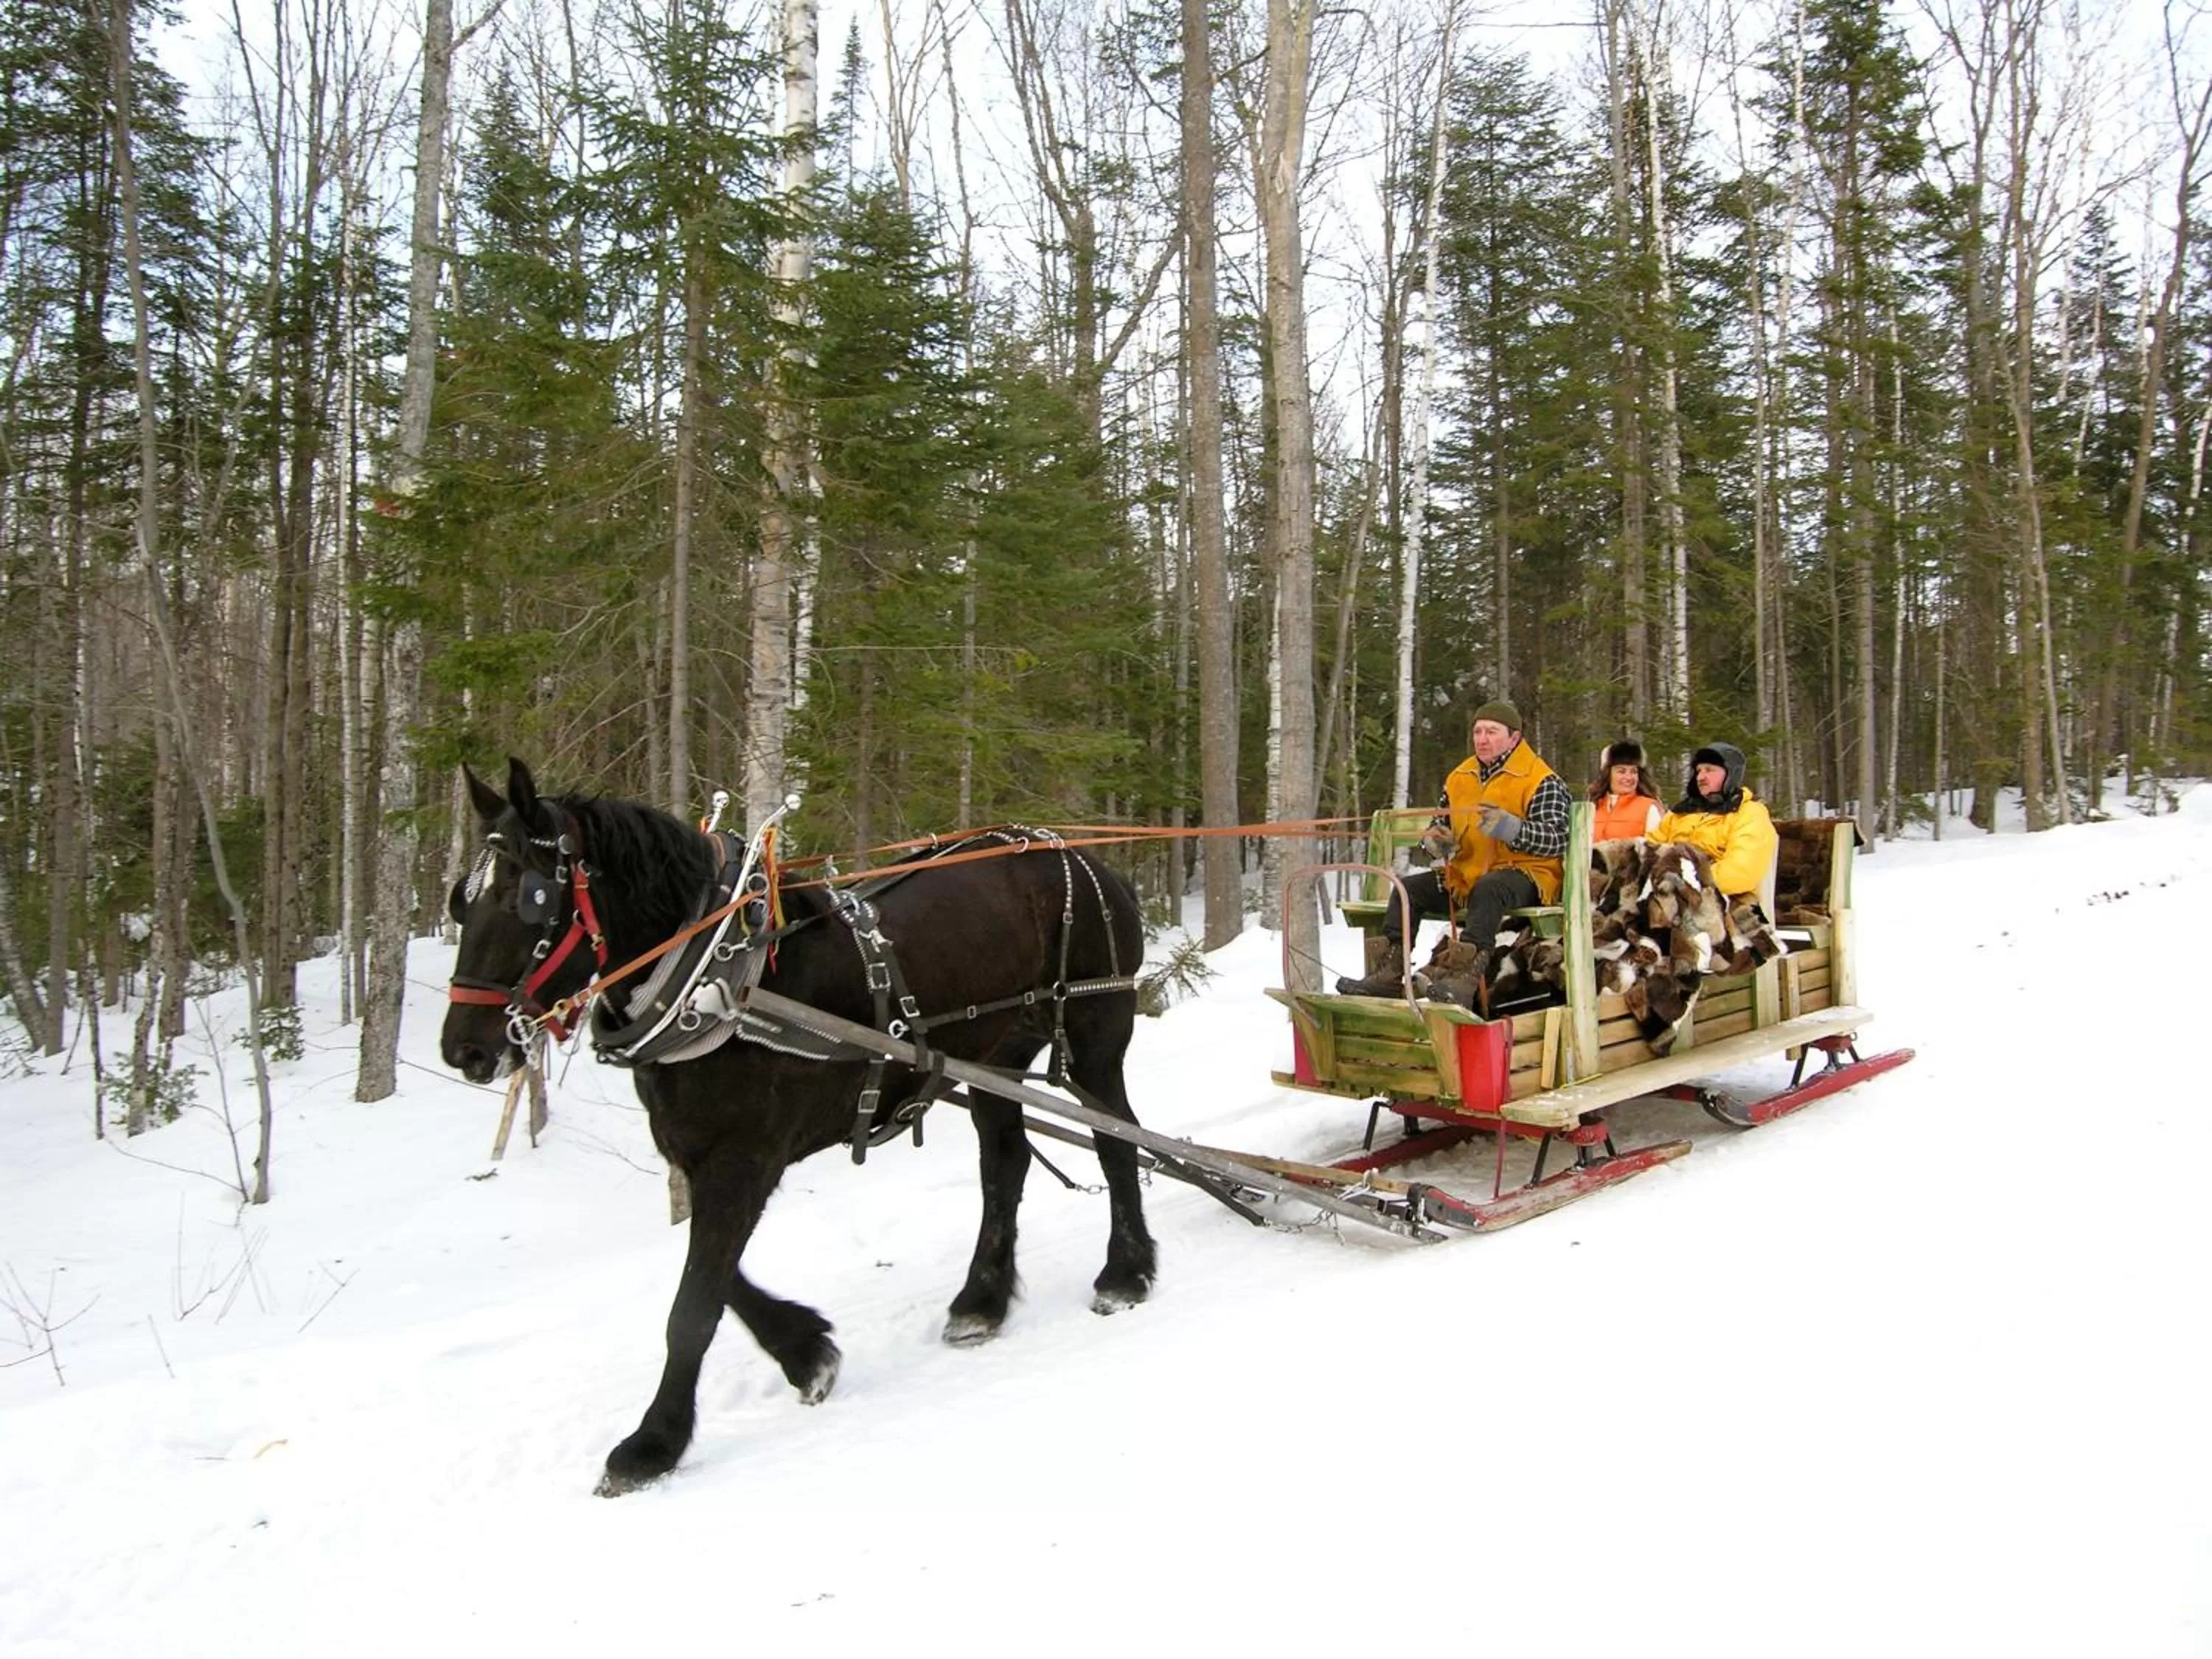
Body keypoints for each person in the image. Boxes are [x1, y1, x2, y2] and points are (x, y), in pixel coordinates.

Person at [1335, 700, 1571, 996]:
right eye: (1478, 731)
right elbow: (1439, 824)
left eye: (1492, 732)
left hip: (1527, 874)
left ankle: (1464, 981)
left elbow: (1557, 838)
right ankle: (1389, 974)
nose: (1482, 739)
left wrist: (1513, 829)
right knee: (1408, 890)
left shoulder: (1541, 779)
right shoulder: (1460, 777)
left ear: (1514, 738)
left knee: (1490, 888)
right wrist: (1436, 841)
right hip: (1466, 874)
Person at [1648, 740, 1778, 899]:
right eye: (1699, 771)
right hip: (1668, 891)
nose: (1701, 777)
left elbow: (1740, 872)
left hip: (1724, 898)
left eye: (1709, 770)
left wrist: (1689, 882)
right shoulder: (1681, 812)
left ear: (1730, 774)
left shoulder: (1749, 813)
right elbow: (1649, 849)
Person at [1590, 739, 1662, 842]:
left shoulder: (1649, 808)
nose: (1629, 777)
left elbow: (1656, 847)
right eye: (1621, 772)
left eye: (1634, 772)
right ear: (1608, 774)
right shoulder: (1593, 807)